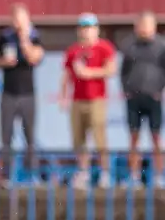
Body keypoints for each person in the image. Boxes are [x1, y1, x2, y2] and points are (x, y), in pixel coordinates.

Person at [60, 13, 118, 189]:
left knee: (99, 136)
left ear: (97, 29)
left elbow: (111, 69)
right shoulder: (73, 51)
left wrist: (89, 73)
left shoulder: (104, 47)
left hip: (96, 99)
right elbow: (66, 75)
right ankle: (83, 171)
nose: (87, 31)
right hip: (77, 100)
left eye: (90, 27)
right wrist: (63, 95)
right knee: (79, 138)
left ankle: (104, 172)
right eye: (84, 27)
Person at [0, 3, 44, 185]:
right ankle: (5, 175)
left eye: (21, 19)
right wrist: (4, 62)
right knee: (6, 137)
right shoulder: (4, 37)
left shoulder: (34, 36)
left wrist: (24, 40)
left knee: (30, 136)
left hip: (27, 94)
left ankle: (32, 175)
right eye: (15, 19)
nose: (17, 23)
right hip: (8, 93)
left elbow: (35, 58)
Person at [119, 11, 165, 188]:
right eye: (142, 25)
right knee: (133, 138)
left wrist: (159, 90)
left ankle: (160, 176)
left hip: (153, 98)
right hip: (134, 99)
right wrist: (127, 91)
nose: (144, 28)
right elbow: (123, 72)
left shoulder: (161, 45)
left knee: (156, 139)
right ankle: (134, 176)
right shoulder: (129, 45)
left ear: (154, 26)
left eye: (148, 25)